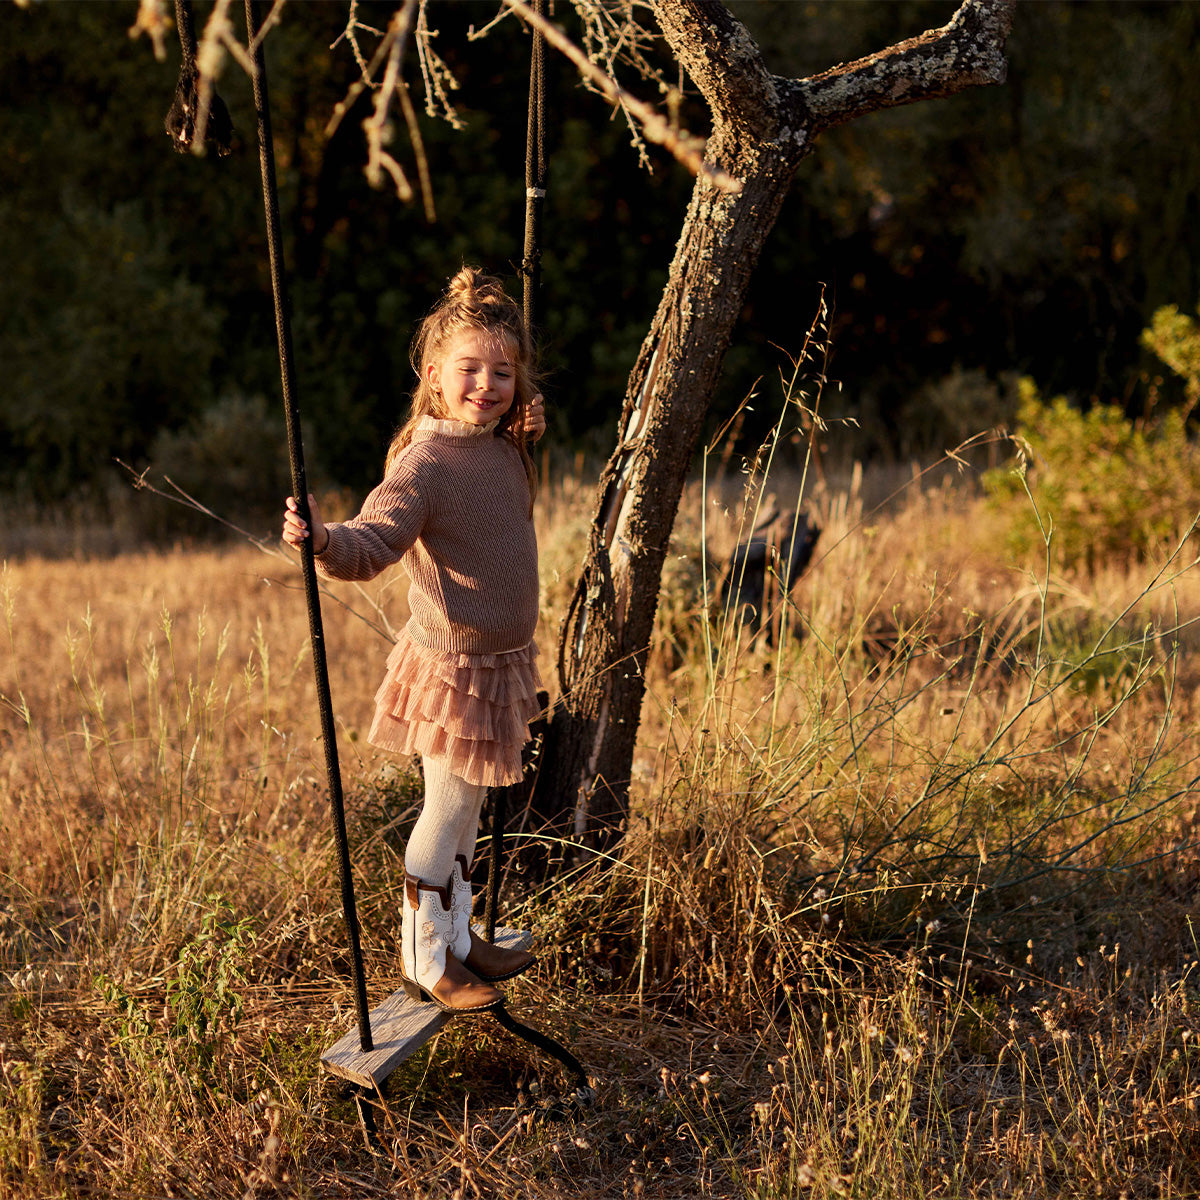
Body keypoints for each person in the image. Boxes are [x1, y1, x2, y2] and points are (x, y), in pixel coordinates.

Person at [282, 267, 547, 1014]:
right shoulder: (425, 462)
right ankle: (426, 958)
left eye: (503, 372)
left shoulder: (499, 445)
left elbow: (516, 441)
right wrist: (325, 537)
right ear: (433, 374)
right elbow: (373, 542)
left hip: (499, 663)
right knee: (447, 808)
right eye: (469, 369)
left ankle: (458, 936)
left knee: (465, 811)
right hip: (455, 668)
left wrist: (530, 415)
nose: (487, 385)